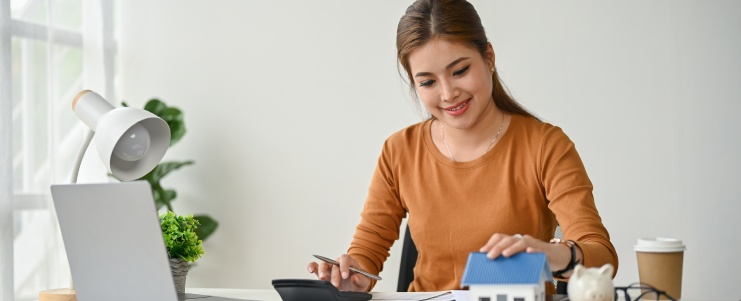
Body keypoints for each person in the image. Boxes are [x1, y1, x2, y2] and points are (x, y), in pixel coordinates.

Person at [307, 0, 618, 293]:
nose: (448, 93)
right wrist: (353, 275)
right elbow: (367, 250)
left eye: (459, 71)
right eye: (427, 82)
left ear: (489, 58)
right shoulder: (399, 150)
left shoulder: (546, 145)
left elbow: (601, 254)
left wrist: (553, 255)